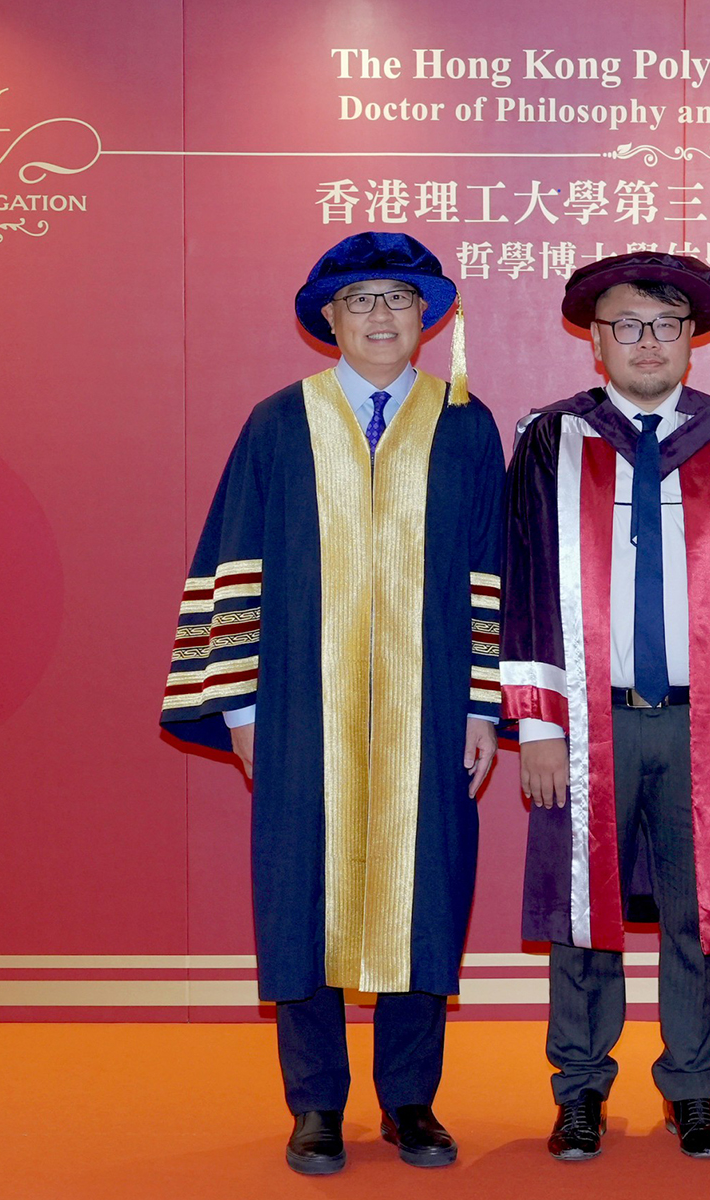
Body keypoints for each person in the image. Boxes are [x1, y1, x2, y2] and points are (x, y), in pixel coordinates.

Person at [159, 231, 505, 1176]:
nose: (381, 316)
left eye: (398, 298)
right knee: (300, 894)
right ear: (330, 319)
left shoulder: (467, 423)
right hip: (298, 708)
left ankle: (410, 1101)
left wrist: (483, 704)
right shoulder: (280, 422)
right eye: (360, 300)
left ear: (427, 316)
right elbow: (234, 561)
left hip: (433, 707)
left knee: (424, 891)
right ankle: (315, 1104)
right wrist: (240, 711)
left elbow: (490, 572)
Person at [500, 252, 710, 1162]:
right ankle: (580, 1089)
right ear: (595, 341)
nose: (648, 342)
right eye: (628, 325)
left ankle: (692, 1088)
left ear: (693, 340)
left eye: (667, 326)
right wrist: (539, 725)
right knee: (584, 912)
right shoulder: (551, 441)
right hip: (584, 717)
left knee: (697, 912)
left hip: (703, 717)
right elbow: (524, 581)